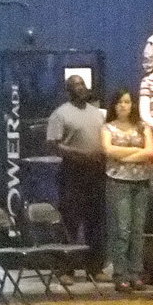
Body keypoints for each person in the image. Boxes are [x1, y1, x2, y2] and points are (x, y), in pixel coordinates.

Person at [48, 74, 108, 283]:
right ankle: (65, 269)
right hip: (72, 172)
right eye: (75, 85)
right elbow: (53, 145)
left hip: (96, 172)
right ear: (68, 90)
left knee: (96, 221)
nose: (81, 87)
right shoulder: (60, 114)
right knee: (70, 221)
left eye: (82, 83)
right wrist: (80, 154)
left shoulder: (98, 113)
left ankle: (95, 267)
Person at [102, 89, 153, 293]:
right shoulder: (108, 128)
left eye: (127, 102)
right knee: (122, 230)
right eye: (120, 102)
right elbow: (107, 150)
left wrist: (123, 156)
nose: (124, 106)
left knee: (137, 230)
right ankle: (121, 274)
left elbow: (150, 152)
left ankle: (136, 272)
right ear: (114, 106)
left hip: (141, 181)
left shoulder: (143, 127)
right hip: (118, 181)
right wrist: (137, 152)